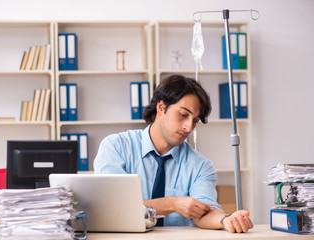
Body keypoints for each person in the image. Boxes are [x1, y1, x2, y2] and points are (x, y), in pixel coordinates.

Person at [94, 74, 253, 233]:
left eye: (195, 121)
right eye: (183, 115)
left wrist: (225, 219)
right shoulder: (116, 147)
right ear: (161, 107)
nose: (188, 127)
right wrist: (172, 204)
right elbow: (114, 206)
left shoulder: (201, 166)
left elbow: (204, 211)